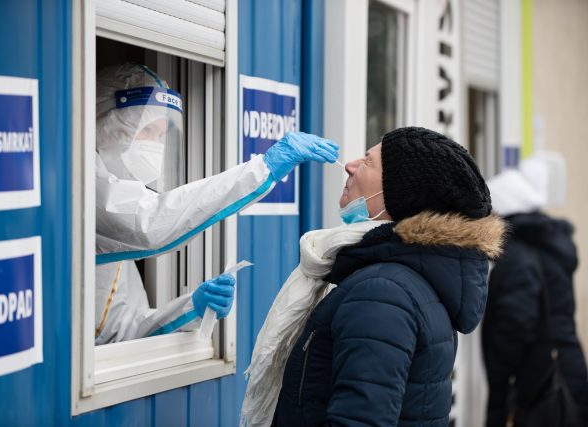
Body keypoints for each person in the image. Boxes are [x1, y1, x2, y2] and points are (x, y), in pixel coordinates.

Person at [241, 127, 506, 426]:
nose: (351, 166)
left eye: (368, 162)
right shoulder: (401, 283)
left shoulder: (382, 293)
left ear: (399, 197)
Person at [94, 63, 339, 344]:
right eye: (147, 130)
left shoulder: (115, 228)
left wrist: (192, 308)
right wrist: (263, 169)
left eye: (162, 135)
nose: (156, 146)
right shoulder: (82, 183)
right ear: (103, 121)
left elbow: (118, 331)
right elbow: (150, 223)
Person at [482, 158, 588, 426]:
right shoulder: (547, 249)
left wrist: (500, 388)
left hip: (539, 386)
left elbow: (515, 327)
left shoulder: (518, 259)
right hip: (565, 371)